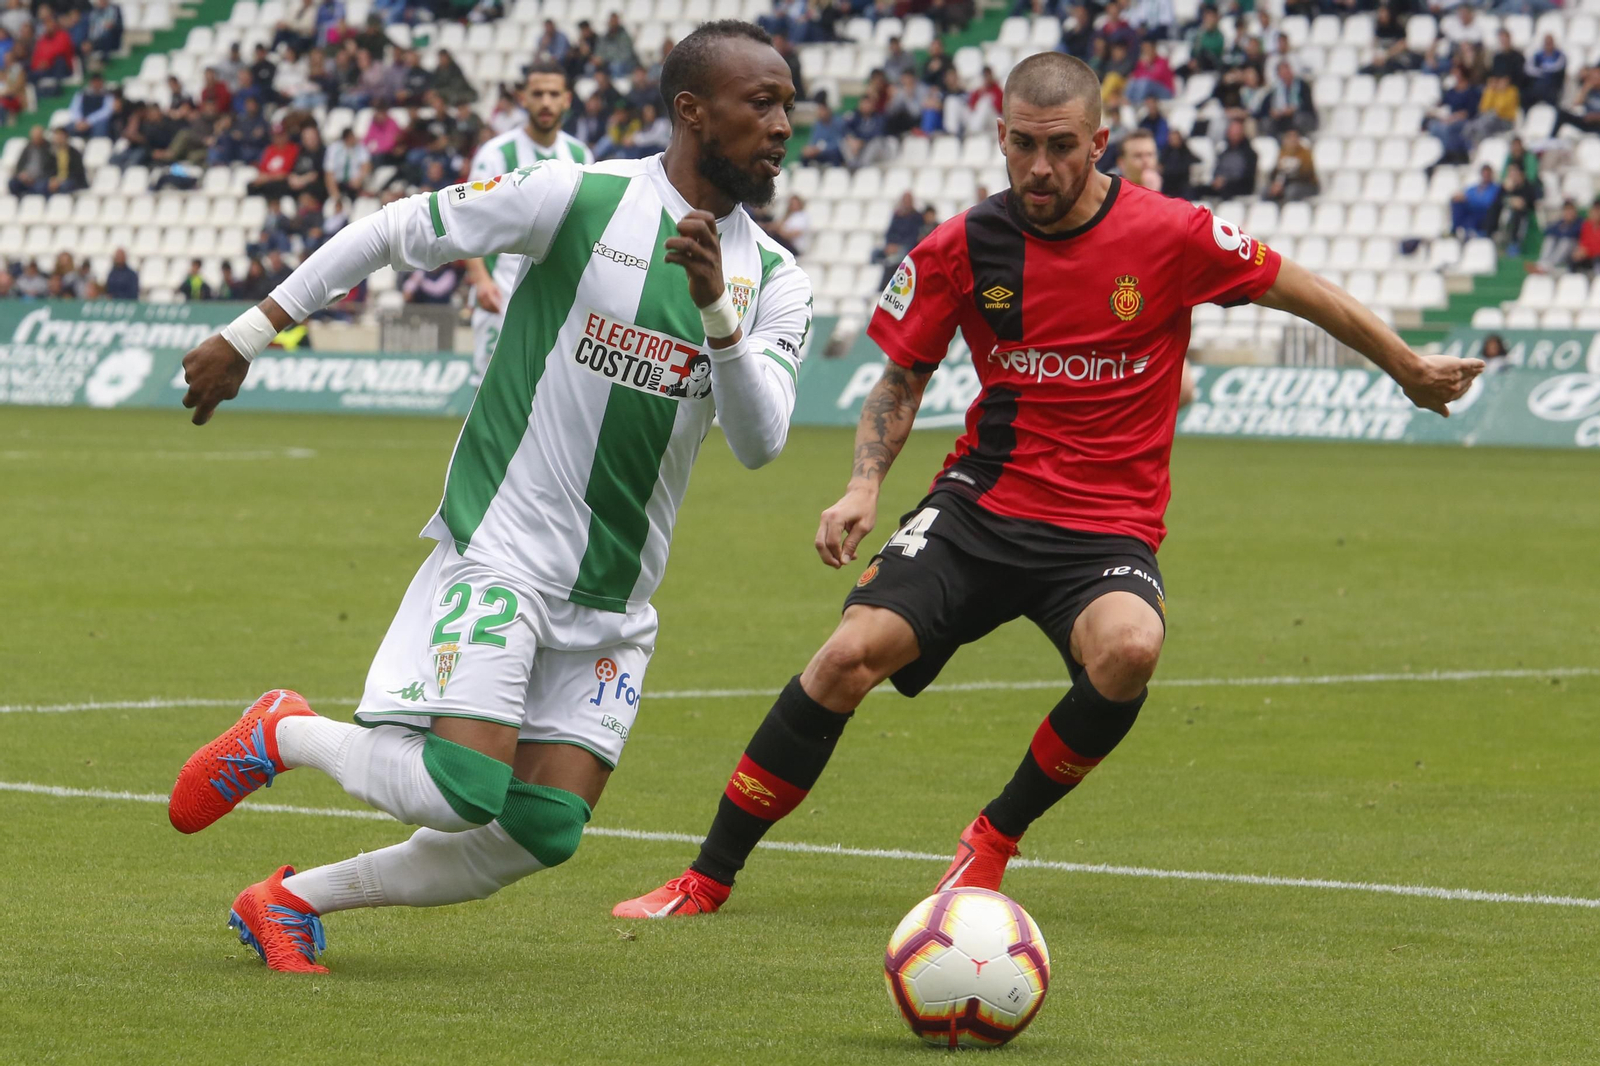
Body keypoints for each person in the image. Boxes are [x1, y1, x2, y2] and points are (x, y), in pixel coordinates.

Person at [613, 51, 1481, 920]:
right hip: (983, 506)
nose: (1039, 166)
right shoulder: (961, 246)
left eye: (1060, 146)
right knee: (845, 659)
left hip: (1106, 530)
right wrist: (862, 485)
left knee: (1131, 649)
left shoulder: (1173, 233)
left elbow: (1304, 291)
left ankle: (991, 840)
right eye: (1022, 144)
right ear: (999, 137)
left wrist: (1405, 368)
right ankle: (706, 878)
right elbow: (902, 379)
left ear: (1099, 142)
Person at [167, 20, 813, 974]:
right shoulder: (579, 197)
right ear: (692, 112)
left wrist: (718, 310)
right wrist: (253, 333)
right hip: (505, 544)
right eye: (761, 103)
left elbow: (761, 444)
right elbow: (394, 228)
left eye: (789, 104)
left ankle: (290, 901)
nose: (783, 124)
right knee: (461, 788)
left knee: (541, 828)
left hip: (615, 594)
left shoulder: (777, 279)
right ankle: (284, 730)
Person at [462, 62, 595, 388]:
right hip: (500, 293)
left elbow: (589, 228)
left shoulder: (580, 155)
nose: (545, 102)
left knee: (548, 393)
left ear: (566, 100)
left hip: (555, 298)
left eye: (553, 94)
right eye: (538, 94)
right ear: (524, 99)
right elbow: (467, 220)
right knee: (491, 390)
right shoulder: (496, 154)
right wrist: (480, 281)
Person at [1264, 128, 1317, 202]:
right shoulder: (1282, 153)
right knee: (1266, 191)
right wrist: (1275, 185)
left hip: (1306, 185)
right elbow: (1276, 173)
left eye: (1294, 137)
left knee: (1291, 191)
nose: (1292, 140)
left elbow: (1307, 174)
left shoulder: (1305, 153)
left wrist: (1292, 170)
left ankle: (1289, 212)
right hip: (1286, 185)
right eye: (1289, 137)